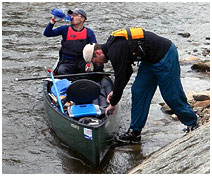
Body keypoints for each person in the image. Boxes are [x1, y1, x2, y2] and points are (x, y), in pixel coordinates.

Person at [82, 27, 199, 143]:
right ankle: (135, 132)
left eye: (95, 61)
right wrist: (115, 92)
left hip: (165, 55)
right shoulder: (113, 48)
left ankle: (192, 123)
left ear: (98, 52)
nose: (97, 64)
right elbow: (127, 71)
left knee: (171, 95)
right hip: (149, 61)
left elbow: (120, 76)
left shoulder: (115, 50)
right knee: (138, 90)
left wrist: (113, 103)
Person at [43, 8, 103, 80]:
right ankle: (75, 82)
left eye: (75, 15)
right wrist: (53, 21)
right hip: (67, 62)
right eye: (71, 15)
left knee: (98, 68)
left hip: (82, 61)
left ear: (82, 19)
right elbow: (47, 33)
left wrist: (90, 63)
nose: (71, 17)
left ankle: (82, 81)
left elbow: (95, 49)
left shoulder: (89, 32)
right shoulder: (64, 29)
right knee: (62, 71)